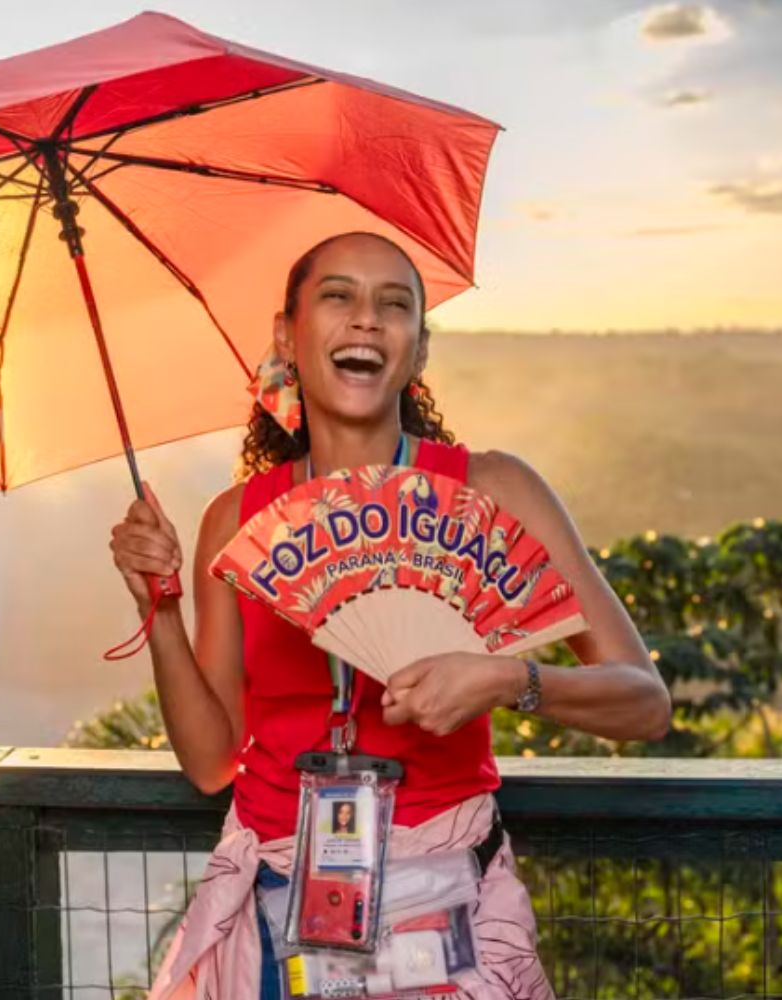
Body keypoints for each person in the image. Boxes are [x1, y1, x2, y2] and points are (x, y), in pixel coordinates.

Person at [109, 231, 672, 999]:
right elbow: (211, 760)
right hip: (286, 918)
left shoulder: (495, 490)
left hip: (448, 913)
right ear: (287, 335)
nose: (366, 320)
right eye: (337, 296)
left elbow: (644, 702)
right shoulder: (234, 522)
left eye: (395, 304)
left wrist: (506, 679)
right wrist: (161, 614)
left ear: (419, 348)